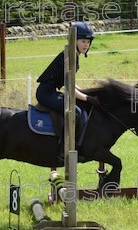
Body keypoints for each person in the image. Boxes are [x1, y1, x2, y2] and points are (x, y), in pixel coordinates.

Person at [36, 21, 99, 169]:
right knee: (75, 112)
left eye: (88, 42)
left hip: (51, 91)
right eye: (83, 41)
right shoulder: (70, 56)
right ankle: (63, 151)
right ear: (74, 41)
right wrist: (87, 98)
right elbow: (69, 87)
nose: (86, 45)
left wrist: (83, 93)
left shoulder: (72, 55)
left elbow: (70, 81)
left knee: (79, 106)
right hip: (46, 93)